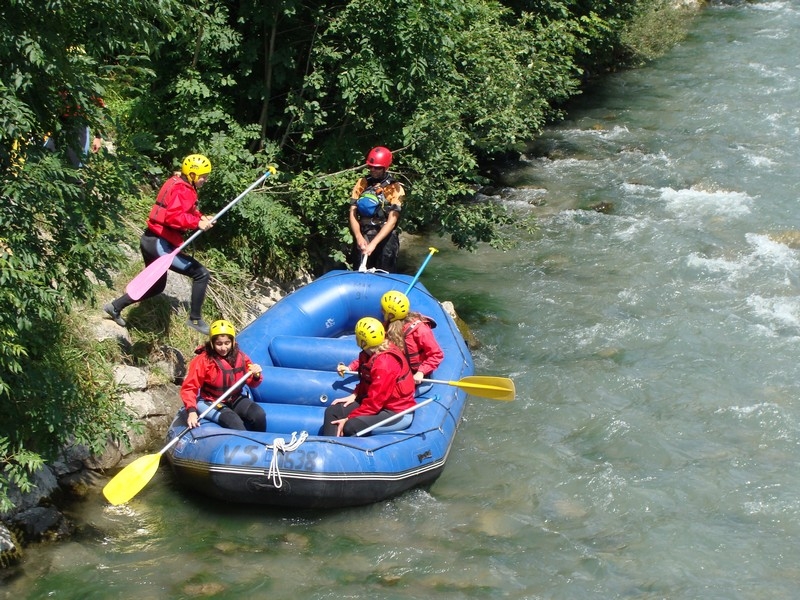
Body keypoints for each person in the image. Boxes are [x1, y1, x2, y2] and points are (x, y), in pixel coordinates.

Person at [104, 154, 214, 334]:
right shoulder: (183, 189)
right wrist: (197, 224)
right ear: (192, 175)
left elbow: (187, 210)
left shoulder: (177, 182)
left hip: (149, 240)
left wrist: (201, 217)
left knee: (156, 286)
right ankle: (195, 318)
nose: (205, 180)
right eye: (203, 176)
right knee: (201, 274)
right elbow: (173, 216)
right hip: (160, 245)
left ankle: (115, 307)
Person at [326, 317, 416, 437]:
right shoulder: (369, 353)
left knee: (350, 426)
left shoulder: (384, 364)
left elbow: (375, 402)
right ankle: (331, 446)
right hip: (378, 405)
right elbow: (366, 381)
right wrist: (355, 394)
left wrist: (349, 418)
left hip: (394, 411)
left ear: (362, 341)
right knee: (333, 411)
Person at [180, 319, 267, 431]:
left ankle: (262, 444)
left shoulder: (241, 357)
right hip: (211, 401)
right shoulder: (203, 361)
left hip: (235, 398)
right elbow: (189, 388)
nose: (223, 348)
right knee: (235, 423)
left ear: (233, 342)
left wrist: (256, 375)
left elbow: (253, 383)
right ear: (212, 343)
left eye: (227, 343)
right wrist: (191, 411)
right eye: (219, 344)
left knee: (259, 415)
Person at [348, 146, 405, 272]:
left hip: (385, 237)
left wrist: (374, 244)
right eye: (370, 167)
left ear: (386, 168)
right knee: (359, 269)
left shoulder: (395, 188)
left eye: (377, 168)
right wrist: (358, 237)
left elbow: (392, 221)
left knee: (385, 269)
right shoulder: (362, 183)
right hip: (364, 234)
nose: (373, 170)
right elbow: (353, 213)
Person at [380, 291, 444, 384]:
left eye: (383, 309)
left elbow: (436, 354)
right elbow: (376, 350)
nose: (381, 311)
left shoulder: (420, 329)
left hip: (415, 374)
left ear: (390, 314)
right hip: (398, 372)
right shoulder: (386, 327)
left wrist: (421, 372)